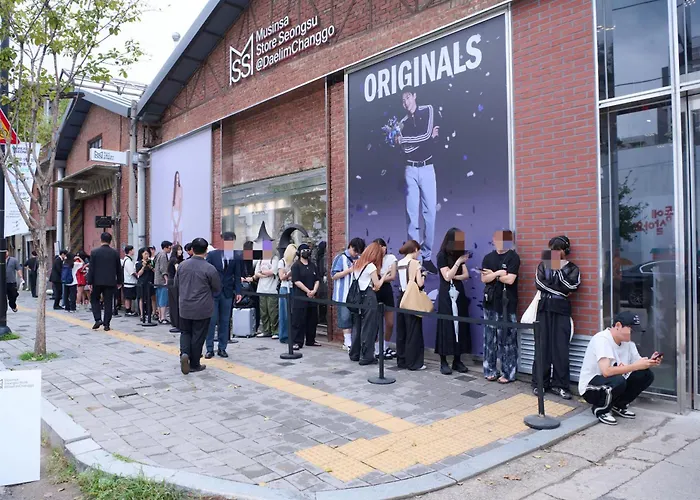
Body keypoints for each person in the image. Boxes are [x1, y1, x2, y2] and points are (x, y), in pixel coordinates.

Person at [579, 312, 660, 425]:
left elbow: (637, 365)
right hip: (591, 388)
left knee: (645, 374)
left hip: (613, 384)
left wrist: (649, 362)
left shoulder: (629, 343)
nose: (633, 334)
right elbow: (606, 371)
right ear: (618, 325)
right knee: (618, 379)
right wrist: (636, 366)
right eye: (631, 330)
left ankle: (618, 405)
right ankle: (601, 409)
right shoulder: (602, 339)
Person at [396, 86, 439, 275]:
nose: (406, 102)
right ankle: (415, 259)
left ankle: (427, 257)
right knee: (412, 215)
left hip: (427, 167)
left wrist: (406, 140)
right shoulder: (402, 123)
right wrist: (424, 140)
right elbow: (407, 149)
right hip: (410, 169)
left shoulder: (428, 109)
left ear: (414, 96)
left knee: (430, 214)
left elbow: (427, 135)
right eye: (403, 100)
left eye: (408, 97)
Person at [532, 235, 581, 400]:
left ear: (565, 250)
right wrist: (560, 291)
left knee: (561, 349)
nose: (553, 253)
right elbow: (539, 284)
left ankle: (560, 385)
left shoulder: (572, 268)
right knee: (542, 346)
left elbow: (572, 286)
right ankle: (540, 383)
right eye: (552, 249)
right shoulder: (543, 265)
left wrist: (558, 272)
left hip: (561, 310)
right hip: (544, 308)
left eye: (557, 249)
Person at [176, 237, 221, 375]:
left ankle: (184, 353)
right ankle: (195, 363)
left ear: (192, 249)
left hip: (185, 306)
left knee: (185, 332)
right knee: (198, 335)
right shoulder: (209, 268)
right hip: (202, 307)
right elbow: (217, 287)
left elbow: (176, 284)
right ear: (206, 250)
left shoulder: (182, 265)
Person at [481, 230, 521, 383]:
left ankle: (508, 373)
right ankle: (490, 370)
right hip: (490, 303)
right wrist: (499, 273)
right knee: (489, 339)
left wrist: (493, 275)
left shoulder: (513, 257)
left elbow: (510, 280)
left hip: (507, 304)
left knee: (508, 339)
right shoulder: (488, 258)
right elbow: (484, 279)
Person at [435, 228, 471, 375]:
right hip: (446, 294)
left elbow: (466, 275)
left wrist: (455, 275)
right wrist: (458, 263)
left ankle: (457, 359)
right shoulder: (441, 256)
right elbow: (446, 276)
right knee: (446, 324)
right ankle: (443, 361)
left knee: (460, 323)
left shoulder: (459, 255)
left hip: (458, 291)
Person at [349, 242, 387, 365]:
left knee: (357, 325)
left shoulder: (357, 263)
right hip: (369, 297)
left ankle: (354, 353)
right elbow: (377, 286)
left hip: (357, 297)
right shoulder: (371, 266)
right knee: (369, 327)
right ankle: (366, 356)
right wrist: (384, 275)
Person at [205, 233, 241, 359]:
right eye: (227, 241)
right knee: (212, 321)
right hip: (213, 292)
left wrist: (238, 291)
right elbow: (206, 273)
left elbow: (237, 275)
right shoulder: (212, 255)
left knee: (225, 321)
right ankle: (209, 348)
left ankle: (222, 348)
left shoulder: (236, 256)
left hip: (227, 292)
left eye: (231, 241)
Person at [396, 239, 426, 370]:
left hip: (402, 297)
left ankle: (402, 360)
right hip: (412, 298)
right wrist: (424, 275)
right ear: (415, 250)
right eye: (418, 251)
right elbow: (420, 283)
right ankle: (414, 362)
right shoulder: (415, 263)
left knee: (402, 330)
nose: (419, 254)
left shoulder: (400, 262)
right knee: (414, 330)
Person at [331, 237, 366, 350]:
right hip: (343, 294)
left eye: (358, 252)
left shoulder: (360, 259)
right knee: (345, 317)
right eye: (355, 251)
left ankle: (354, 342)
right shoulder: (340, 258)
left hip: (356, 294)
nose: (356, 254)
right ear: (350, 246)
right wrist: (349, 270)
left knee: (356, 318)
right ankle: (347, 342)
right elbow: (333, 275)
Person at [86, 232, 123, 331]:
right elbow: (118, 269)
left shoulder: (94, 252)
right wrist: (120, 281)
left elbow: (91, 268)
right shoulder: (115, 253)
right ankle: (107, 324)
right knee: (108, 303)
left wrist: (89, 282)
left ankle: (98, 319)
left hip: (97, 281)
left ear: (101, 239)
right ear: (110, 241)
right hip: (110, 282)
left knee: (94, 300)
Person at [291, 244, 320, 350]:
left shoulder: (313, 265)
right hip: (300, 297)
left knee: (312, 319)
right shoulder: (296, 266)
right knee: (298, 320)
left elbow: (317, 279)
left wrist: (314, 291)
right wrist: (308, 291)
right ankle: (297, 341)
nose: (306, 252)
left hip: (312, 297)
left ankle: (311, 340)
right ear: (299, 253)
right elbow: (296, 281)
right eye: (304, 250)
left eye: (308, 250)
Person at [375, 238, 398, 359]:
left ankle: (385, 346)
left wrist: (381, 278)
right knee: (376, 322)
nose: (382, 249)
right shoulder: (373, 260)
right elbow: (374, 277)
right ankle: (376, 348)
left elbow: (393, 276)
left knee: (390, 322)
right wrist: (384, 275)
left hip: (386, 290)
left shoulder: (391, 258)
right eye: (379, 248)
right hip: (375, 290)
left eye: (383, 247)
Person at [254, 248, 280, 339]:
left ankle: (275, 331)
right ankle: (266, 330)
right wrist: (265, 274)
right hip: (261, 289)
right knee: (263, 311)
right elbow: (256, 273)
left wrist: (262, 273)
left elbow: (273, 271)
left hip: (272, 289)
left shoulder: (274, 259)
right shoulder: (260, 260)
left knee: (273, 311)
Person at [278, 244, 296, 344]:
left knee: (293, 313)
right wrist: (290, 273)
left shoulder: (295, 262)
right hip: (285, 288)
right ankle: (284, 335)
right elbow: (282, 277)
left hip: (294, 287)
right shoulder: (282, 262)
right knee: (285, 313)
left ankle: (292, 334)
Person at [154, 240, 172, 325]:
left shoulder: (158, 255)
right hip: (162, 281)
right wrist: (166, 279)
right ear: (166, 247)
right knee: (163, 299)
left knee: (159, 299)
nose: (170, 249)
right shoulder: (163, 256)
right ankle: (163, 317)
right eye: (169, 248)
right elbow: (163, 268)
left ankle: (160, 317)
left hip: (157, 280)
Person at [167, 244, 184, 333]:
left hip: (175, 282)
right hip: (174, 282)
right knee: (175, 303)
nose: (180, 251)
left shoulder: (179, 260)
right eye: (178, 249)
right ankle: (177, 323)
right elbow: (178, 271)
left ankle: (177, 322)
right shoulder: (174, 260)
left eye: (181, 249)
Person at [135, 247, 155, 320]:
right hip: (142, 282)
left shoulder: (151, 261)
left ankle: (154, 313)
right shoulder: (138, 263)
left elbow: (155, 271)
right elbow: (139, 274)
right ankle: (142, 314)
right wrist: (143, 266)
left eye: (148, 254)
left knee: (153, 297)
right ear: (141, 254)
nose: (147, 255)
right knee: (141, 298)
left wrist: (151, 267)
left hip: (150, 281)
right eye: (145, 254)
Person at [122, 246, 137, 316]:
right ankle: (128, 310)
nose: (134, 251)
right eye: (133, 250)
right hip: (129, 281)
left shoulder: (127, 260)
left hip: (128, 281)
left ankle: (129, 309)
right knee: (128, 297)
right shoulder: (128, 261)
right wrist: (137, 276)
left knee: (129, 297)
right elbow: (132, 272)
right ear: (130, 251)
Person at [172, 171, 183, 245]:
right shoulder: (173, 190)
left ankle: (180, 246)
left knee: (179, 232)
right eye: (176, 178)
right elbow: (171, 207)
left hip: (179, 214)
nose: (177, 180)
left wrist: (178, 220)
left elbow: (181, 205)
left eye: (178, 178)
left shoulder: (180, 189)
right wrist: (173, 219)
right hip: (174, 213)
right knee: (174, 234)